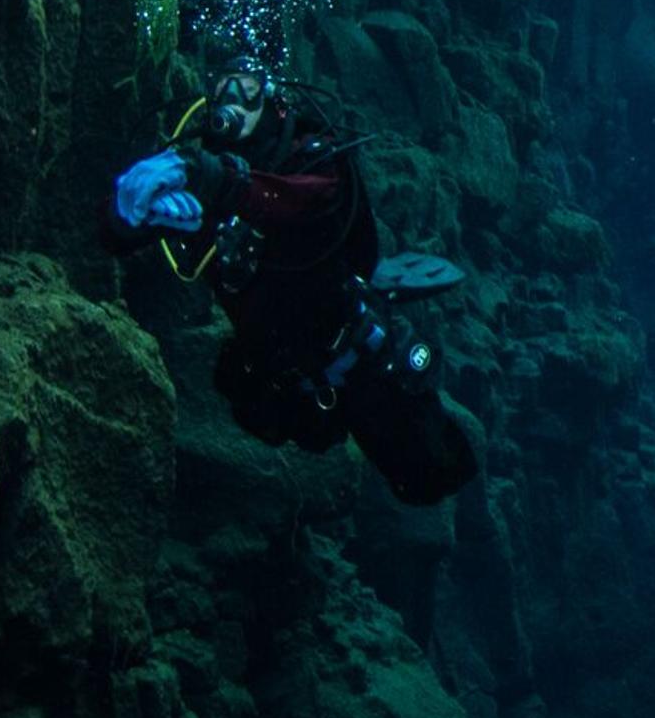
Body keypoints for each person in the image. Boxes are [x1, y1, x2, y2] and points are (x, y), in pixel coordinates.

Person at [107, 59, 481, 507]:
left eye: (245, 90)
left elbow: (304, 199)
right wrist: (127, 213)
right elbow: (112, 239)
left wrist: (212, 176)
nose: (232, 104)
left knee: (431, 477)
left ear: (273, 101)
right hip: (283, 380)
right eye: (221, 90)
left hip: (353, 355)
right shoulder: (202, 183)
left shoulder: (313, 158)